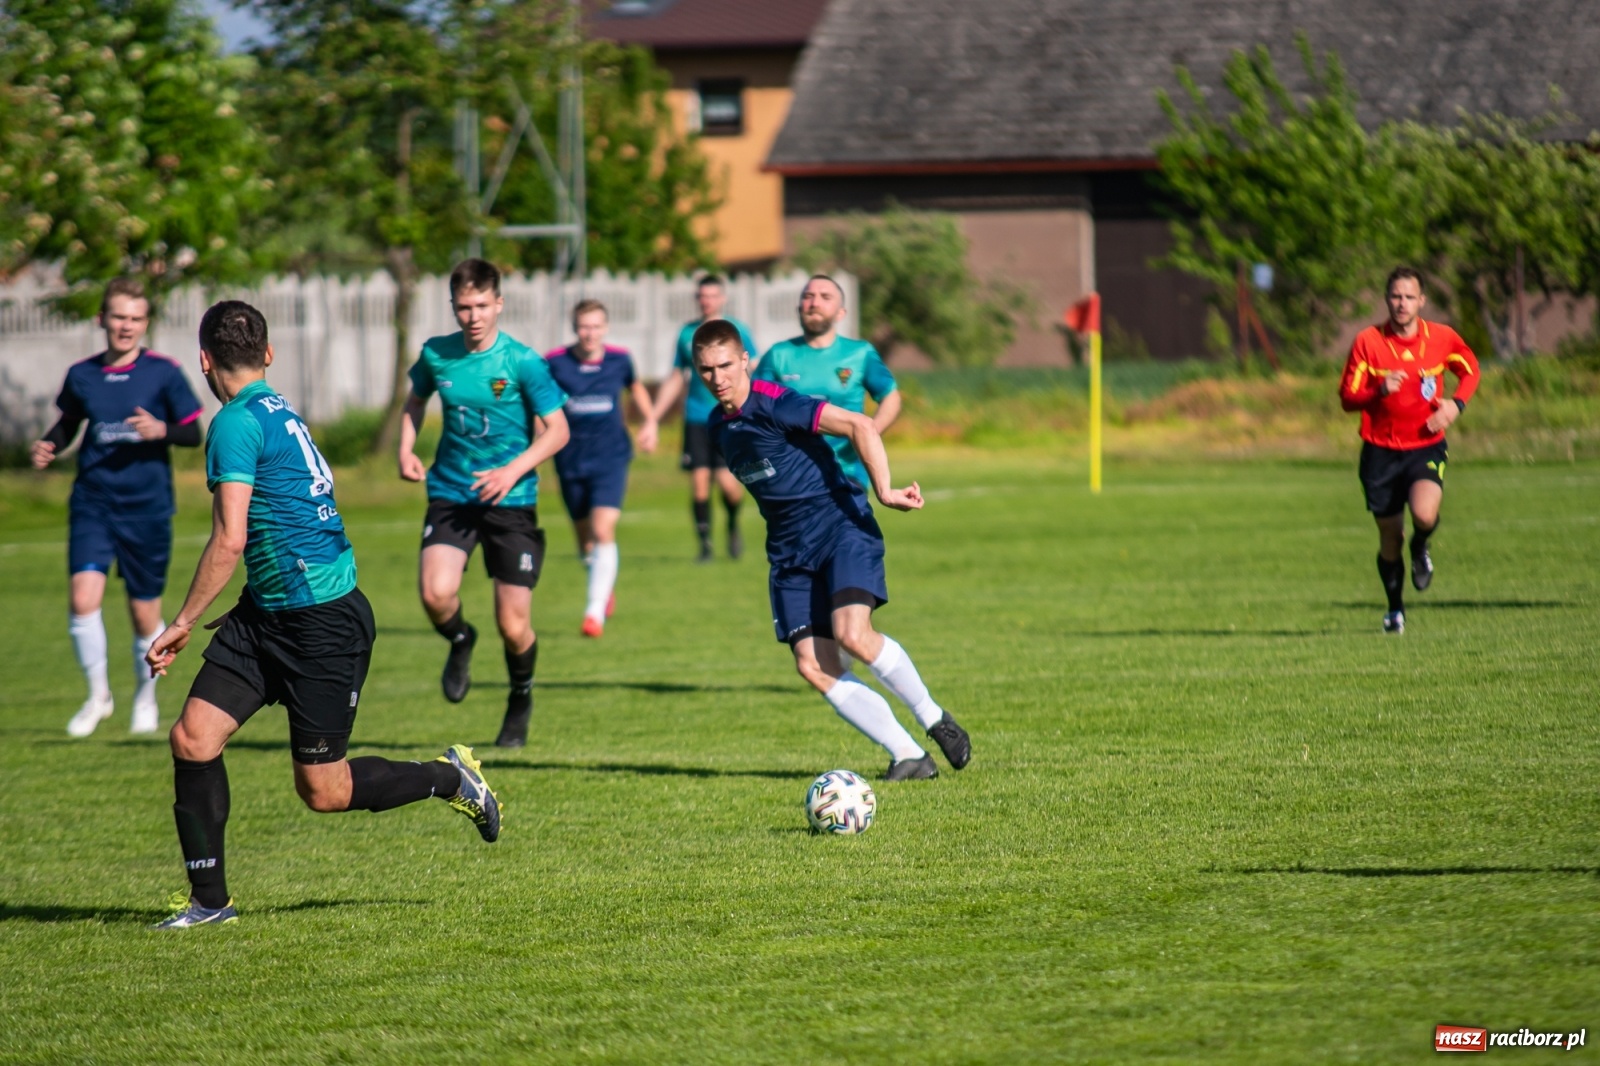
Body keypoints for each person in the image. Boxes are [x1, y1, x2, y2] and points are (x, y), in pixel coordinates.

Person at [145, 300, 500, 930]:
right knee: (193, 738)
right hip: (268, 614)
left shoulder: (234, 423)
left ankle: (451, 779)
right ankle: (209, 904)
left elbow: (229, 537)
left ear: (203, 360)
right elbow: (286, 521)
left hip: (321, 624)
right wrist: (251, 602)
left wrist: (181, 621)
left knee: (324, 792)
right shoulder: (275, 409)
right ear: (269, 354)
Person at [693, 319, 971, 780]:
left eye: (725, 365)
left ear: (744, 360)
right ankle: (908, 756)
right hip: (788, 551)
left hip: (839, 527)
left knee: (853, 635)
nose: (717, 377)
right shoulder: (716, 426)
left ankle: (933, 718)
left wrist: (883, 490)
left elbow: (860, 424)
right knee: (812, 665)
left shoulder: (776, 401)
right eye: (706, 369)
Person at [398, 258, 570, 748]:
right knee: (435, 593)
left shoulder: (522, 362)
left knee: (513, 625)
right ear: (452, 306)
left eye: (481, 306)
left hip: (512, 501)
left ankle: (520, 698)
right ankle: (459, 639)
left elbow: (559, 430)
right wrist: (406, 449)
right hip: (451, 493)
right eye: (462, 307)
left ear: (499, 304)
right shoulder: (437, 355)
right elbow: (415, 402)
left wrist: (512, 470)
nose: (472, 316)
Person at [32, 277, 204, 738]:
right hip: (93, 502)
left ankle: (145, 699)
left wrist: (161, 431)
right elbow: (68, 424)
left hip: (147, 508)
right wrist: (50, 445)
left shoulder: (164, 372)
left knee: (143, 613)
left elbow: (194, 433)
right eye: (118, 317)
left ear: (145, 323)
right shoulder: (82, 374)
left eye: (135, 318)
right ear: (101, 319)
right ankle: (97, 696)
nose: (125, 326)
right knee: (82, 598)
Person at [1339, 267, 1480, 634]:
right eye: (1395, 297)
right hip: (1380, 453)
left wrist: (1456, 405)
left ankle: (1421, 549)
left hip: (1425, 447)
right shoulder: (1368, 342)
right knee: (1389, 538)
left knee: (1424, 514)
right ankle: (1395, 609)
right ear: (1387, 300)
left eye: (1408, 297)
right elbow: (1347, 398)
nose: (1401, 304)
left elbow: (1471, 370)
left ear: (1422, 301)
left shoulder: (1441, 338)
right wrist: (1378, 391)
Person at [543, 299, 660, 637]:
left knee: (603, 529)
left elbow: (635, 387)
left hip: (611, 457)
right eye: (584, 326)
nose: (590, 333)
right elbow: (541, 401)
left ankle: (593, 613)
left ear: (605, 328)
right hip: (570, 458)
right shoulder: (555, 362)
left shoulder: (620, 360)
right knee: (585, 542)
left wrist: (649, 422)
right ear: (574, 328)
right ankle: (602, 586)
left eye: (596, 326)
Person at [755, 274, 901, 489]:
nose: (814, 303)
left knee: (842, 520)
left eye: (825, 297)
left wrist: (869, 434)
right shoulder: (779, 354)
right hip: (791, 473)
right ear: (799, 308)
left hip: (847, 471)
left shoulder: (859, 353)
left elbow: (891, 396)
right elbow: (754, 404)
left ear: (841, 313)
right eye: (808, 296)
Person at [650, 274, 757, 562]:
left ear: (722, 298)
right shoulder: (688, 334)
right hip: (697, 417)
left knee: (730, 486)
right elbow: (677, 376)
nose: (706, 300)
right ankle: (705, 545)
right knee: (698, 482)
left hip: (729, 417)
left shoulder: (737, 330)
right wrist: (653, 418)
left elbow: (753, 369)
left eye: (712, 295)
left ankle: (733, 525)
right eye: (702, 296)